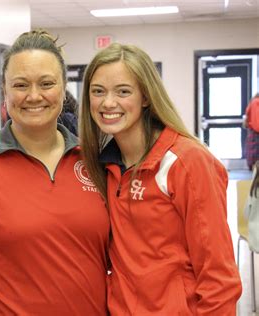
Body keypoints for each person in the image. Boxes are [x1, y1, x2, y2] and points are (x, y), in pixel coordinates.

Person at [0, 30, 109, 315]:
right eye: (20, 85)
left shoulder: (95, 162)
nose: (34, 96)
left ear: (62, 89)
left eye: (46, 83)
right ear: (5, 91)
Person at [79, 43, 242, 314]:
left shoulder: (187, 161)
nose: (108, 103)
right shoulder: (102, 166)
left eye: (123, 91)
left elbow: (220, 279)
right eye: (98, 91)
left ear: (145, 96)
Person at [244, 93, 259, 170]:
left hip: (253, 134)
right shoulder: (256, 102)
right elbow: (257, 124)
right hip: (256, 135)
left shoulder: (254, 102)